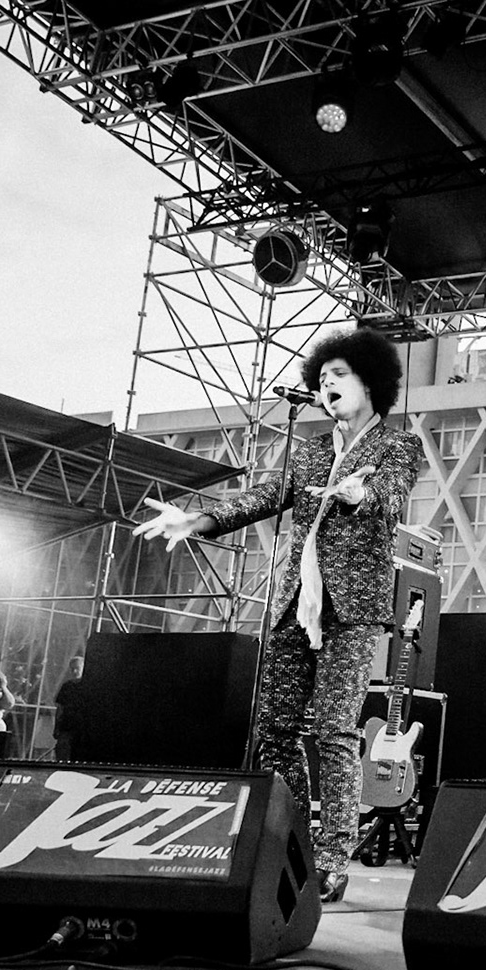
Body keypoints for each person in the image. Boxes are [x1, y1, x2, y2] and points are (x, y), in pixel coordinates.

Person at [133, 326, 422, 904]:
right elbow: (264, 497)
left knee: (335, 727)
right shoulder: (312, 449)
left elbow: (393, 492)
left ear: (371, 382)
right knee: (277, 730)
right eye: (321, 380)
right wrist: (198, 521)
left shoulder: (397, 444)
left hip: (352, 606)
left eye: (338, 375)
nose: (326, 386)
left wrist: (359, 493)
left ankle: (336, 853)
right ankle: (298, 843)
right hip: (296, 602)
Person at [52, 655, 88, 760]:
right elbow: (60, 708)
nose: (74, 671)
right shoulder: (67, 686)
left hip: (82, 729)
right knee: (63, 755)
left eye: (77, 668)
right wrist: (56, 727)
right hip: (66, 728)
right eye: (72, 669)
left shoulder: (88, 687)